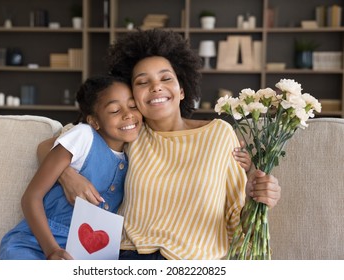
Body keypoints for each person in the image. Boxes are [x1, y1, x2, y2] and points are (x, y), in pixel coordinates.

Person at [39, 29, 280, 260]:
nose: (156, 86)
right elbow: (48, 146)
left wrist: (257, 199)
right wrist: (67, 176)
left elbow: (237, 221)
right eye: (142, 82)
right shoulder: (129, 132)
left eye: (166, 78)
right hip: (127, 257)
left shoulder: (219, 134)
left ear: (182, 90)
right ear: (132, 95)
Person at [0, 75, 142, 260]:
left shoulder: (135, 153)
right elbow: (31, 198)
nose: (128, 114)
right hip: (35, 244)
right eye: (114, 110)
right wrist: (51, 251)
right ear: (94, 121)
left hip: (86, 252)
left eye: (133, 106)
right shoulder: (83, 136)